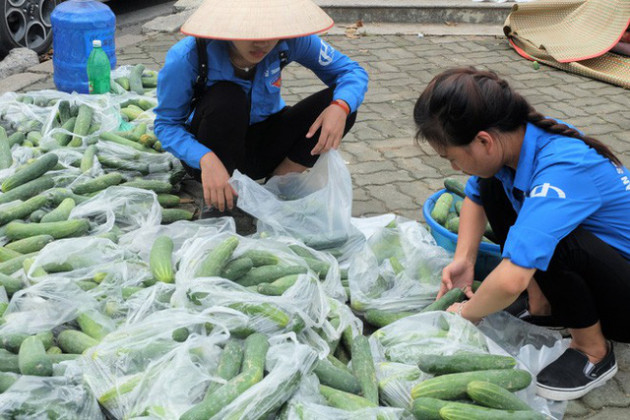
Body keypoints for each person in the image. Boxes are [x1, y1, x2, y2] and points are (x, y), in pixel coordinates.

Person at [413, 67, 630, 401]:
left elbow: (511, 278)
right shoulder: (516, 139)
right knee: (492, 187)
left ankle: (593, 351)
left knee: (556, 242)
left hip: (624, 298)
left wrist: (466, 316)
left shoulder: (562, 166)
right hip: (606, 270)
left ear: (483, 140)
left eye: (452, 158)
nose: (454, 168)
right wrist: (464, 261)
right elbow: (475, 197)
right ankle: (543, 304)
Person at [153, 0, 368, 215]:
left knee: (341, 103)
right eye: (250, 32)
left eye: (270, 31)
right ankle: (222, 200)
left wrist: (340, 105)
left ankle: (278, 185)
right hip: (213, 153)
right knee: (227, 97)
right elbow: (166, 125)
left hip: (264, 144)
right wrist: (205, 158)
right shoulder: (188, 56)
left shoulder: (291, 41)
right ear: (227, 24)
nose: (262, 43)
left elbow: (350, 72)